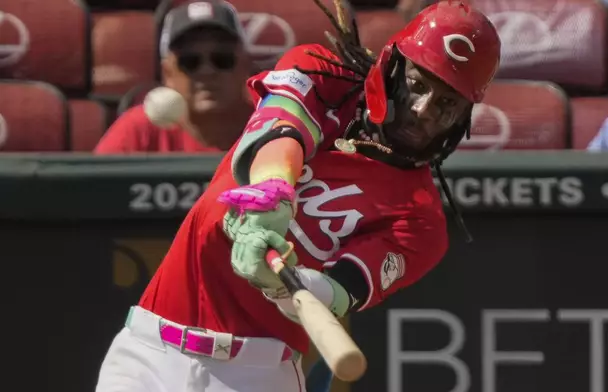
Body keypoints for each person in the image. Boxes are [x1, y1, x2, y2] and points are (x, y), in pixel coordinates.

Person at [94, 1, 501, 391]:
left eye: (447, 103)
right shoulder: (323, 72)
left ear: (464, 117)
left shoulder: (421, 223)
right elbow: (280, 129)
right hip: (149, 345)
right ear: (392, 67)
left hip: (255, 374)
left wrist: (282, 284)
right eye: (416, 84)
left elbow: (338, 291)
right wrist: (273, 192)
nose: (424, 109)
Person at [94, 0, 253, 154]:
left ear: (245, 65)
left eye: (222, 59)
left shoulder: (270, 124)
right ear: (168, 73)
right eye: (190, 62)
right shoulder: (140, 130)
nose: (207, 71)